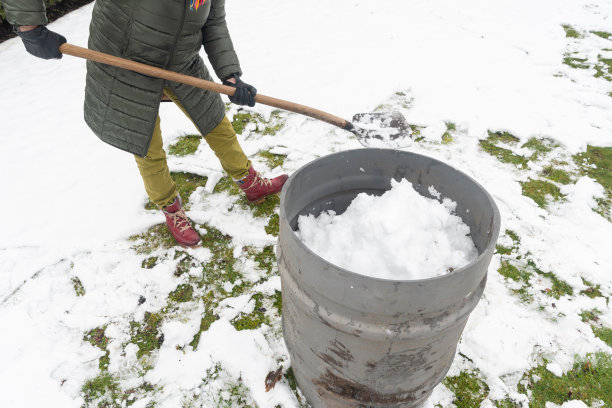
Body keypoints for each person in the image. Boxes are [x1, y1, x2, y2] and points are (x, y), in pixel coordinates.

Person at [3, 0, 288, 247]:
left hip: (181, 60)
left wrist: (231, 76)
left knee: (214, 121)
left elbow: (213, 22)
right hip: (124, 62)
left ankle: (249, 181)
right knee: (146, 142)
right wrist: (28, 25)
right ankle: (171, 207)